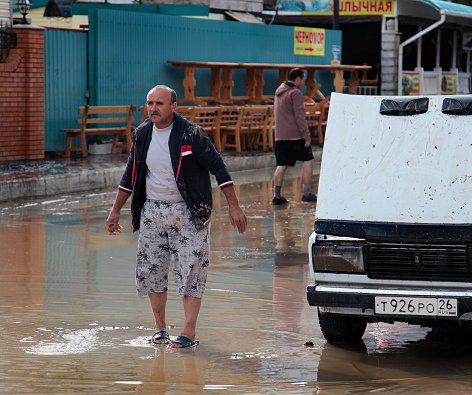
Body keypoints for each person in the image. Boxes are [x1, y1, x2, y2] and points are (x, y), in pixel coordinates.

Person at [105, 85, 247, 349]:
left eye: (159, 103)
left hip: (189, 212)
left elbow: (219, 167)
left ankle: (188, 331)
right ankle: (159, 329)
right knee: (152, 270)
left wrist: (234, 206)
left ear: (174, 106)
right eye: (150, 103)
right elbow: (129, 176)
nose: (153, 109)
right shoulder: (142, 134)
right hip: (153, 212)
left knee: (191, 271)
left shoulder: (191, 134)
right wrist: (115, 211)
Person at [272, 68, 317, 205]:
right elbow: (300, 117)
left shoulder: (279, 91)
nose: (303, 82)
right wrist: (307, 136)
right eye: (302, 79)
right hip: (295, 136)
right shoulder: (295, 93)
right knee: (308, 160)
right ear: (298, 79)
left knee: (282, 165)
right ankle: (307, 193)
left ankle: (277, 196)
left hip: (280, 136)